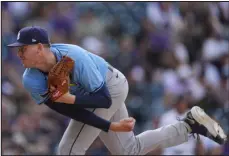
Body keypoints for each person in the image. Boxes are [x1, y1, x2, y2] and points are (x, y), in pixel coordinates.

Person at [7, 26, 227, 155]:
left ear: (39, 47)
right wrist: (110, 125)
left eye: (22, 49)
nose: (18, 54)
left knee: (67, 150)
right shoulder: (31, 78)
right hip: (90, 97)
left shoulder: (74, 57)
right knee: (128, 150)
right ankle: (188, 125)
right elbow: (68, 110)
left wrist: (70, 97)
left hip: (110, 85)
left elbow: (103, 100)